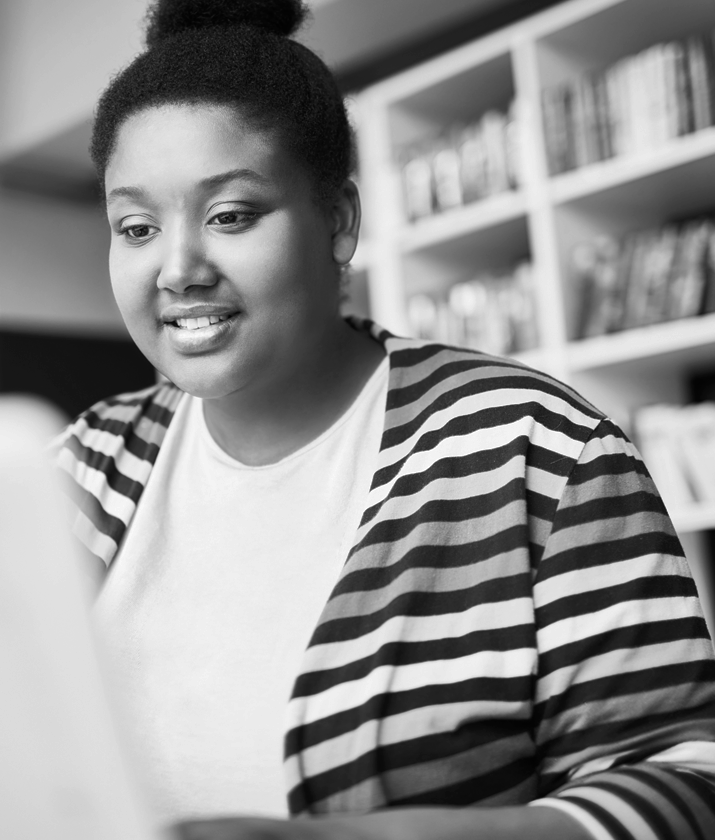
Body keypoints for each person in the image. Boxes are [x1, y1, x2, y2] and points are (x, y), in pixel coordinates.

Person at [53, 1, 715, 838]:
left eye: (231, 215)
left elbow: (685, 786)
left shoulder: (535, 447)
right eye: (136, 227)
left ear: (337, 222)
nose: (178, 268)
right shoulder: (78, 467)